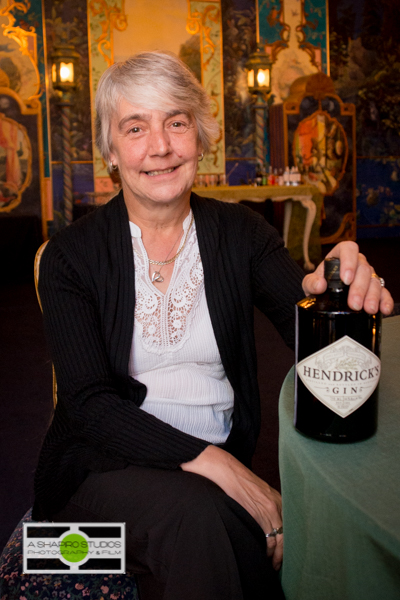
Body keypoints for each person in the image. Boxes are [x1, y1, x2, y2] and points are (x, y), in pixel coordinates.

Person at [33, 52, 393, 600]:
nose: (160, 147)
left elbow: (316, 334)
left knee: (218, 535)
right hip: (92, 490)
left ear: (200, 138)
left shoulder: (240, 234)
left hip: (207, 484)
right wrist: (220, 466)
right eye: (135, 128)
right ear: (110, 150)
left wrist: (344, 281)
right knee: (205, 522)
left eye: (177, 123)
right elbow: (89, 404)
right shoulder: (72, 257)